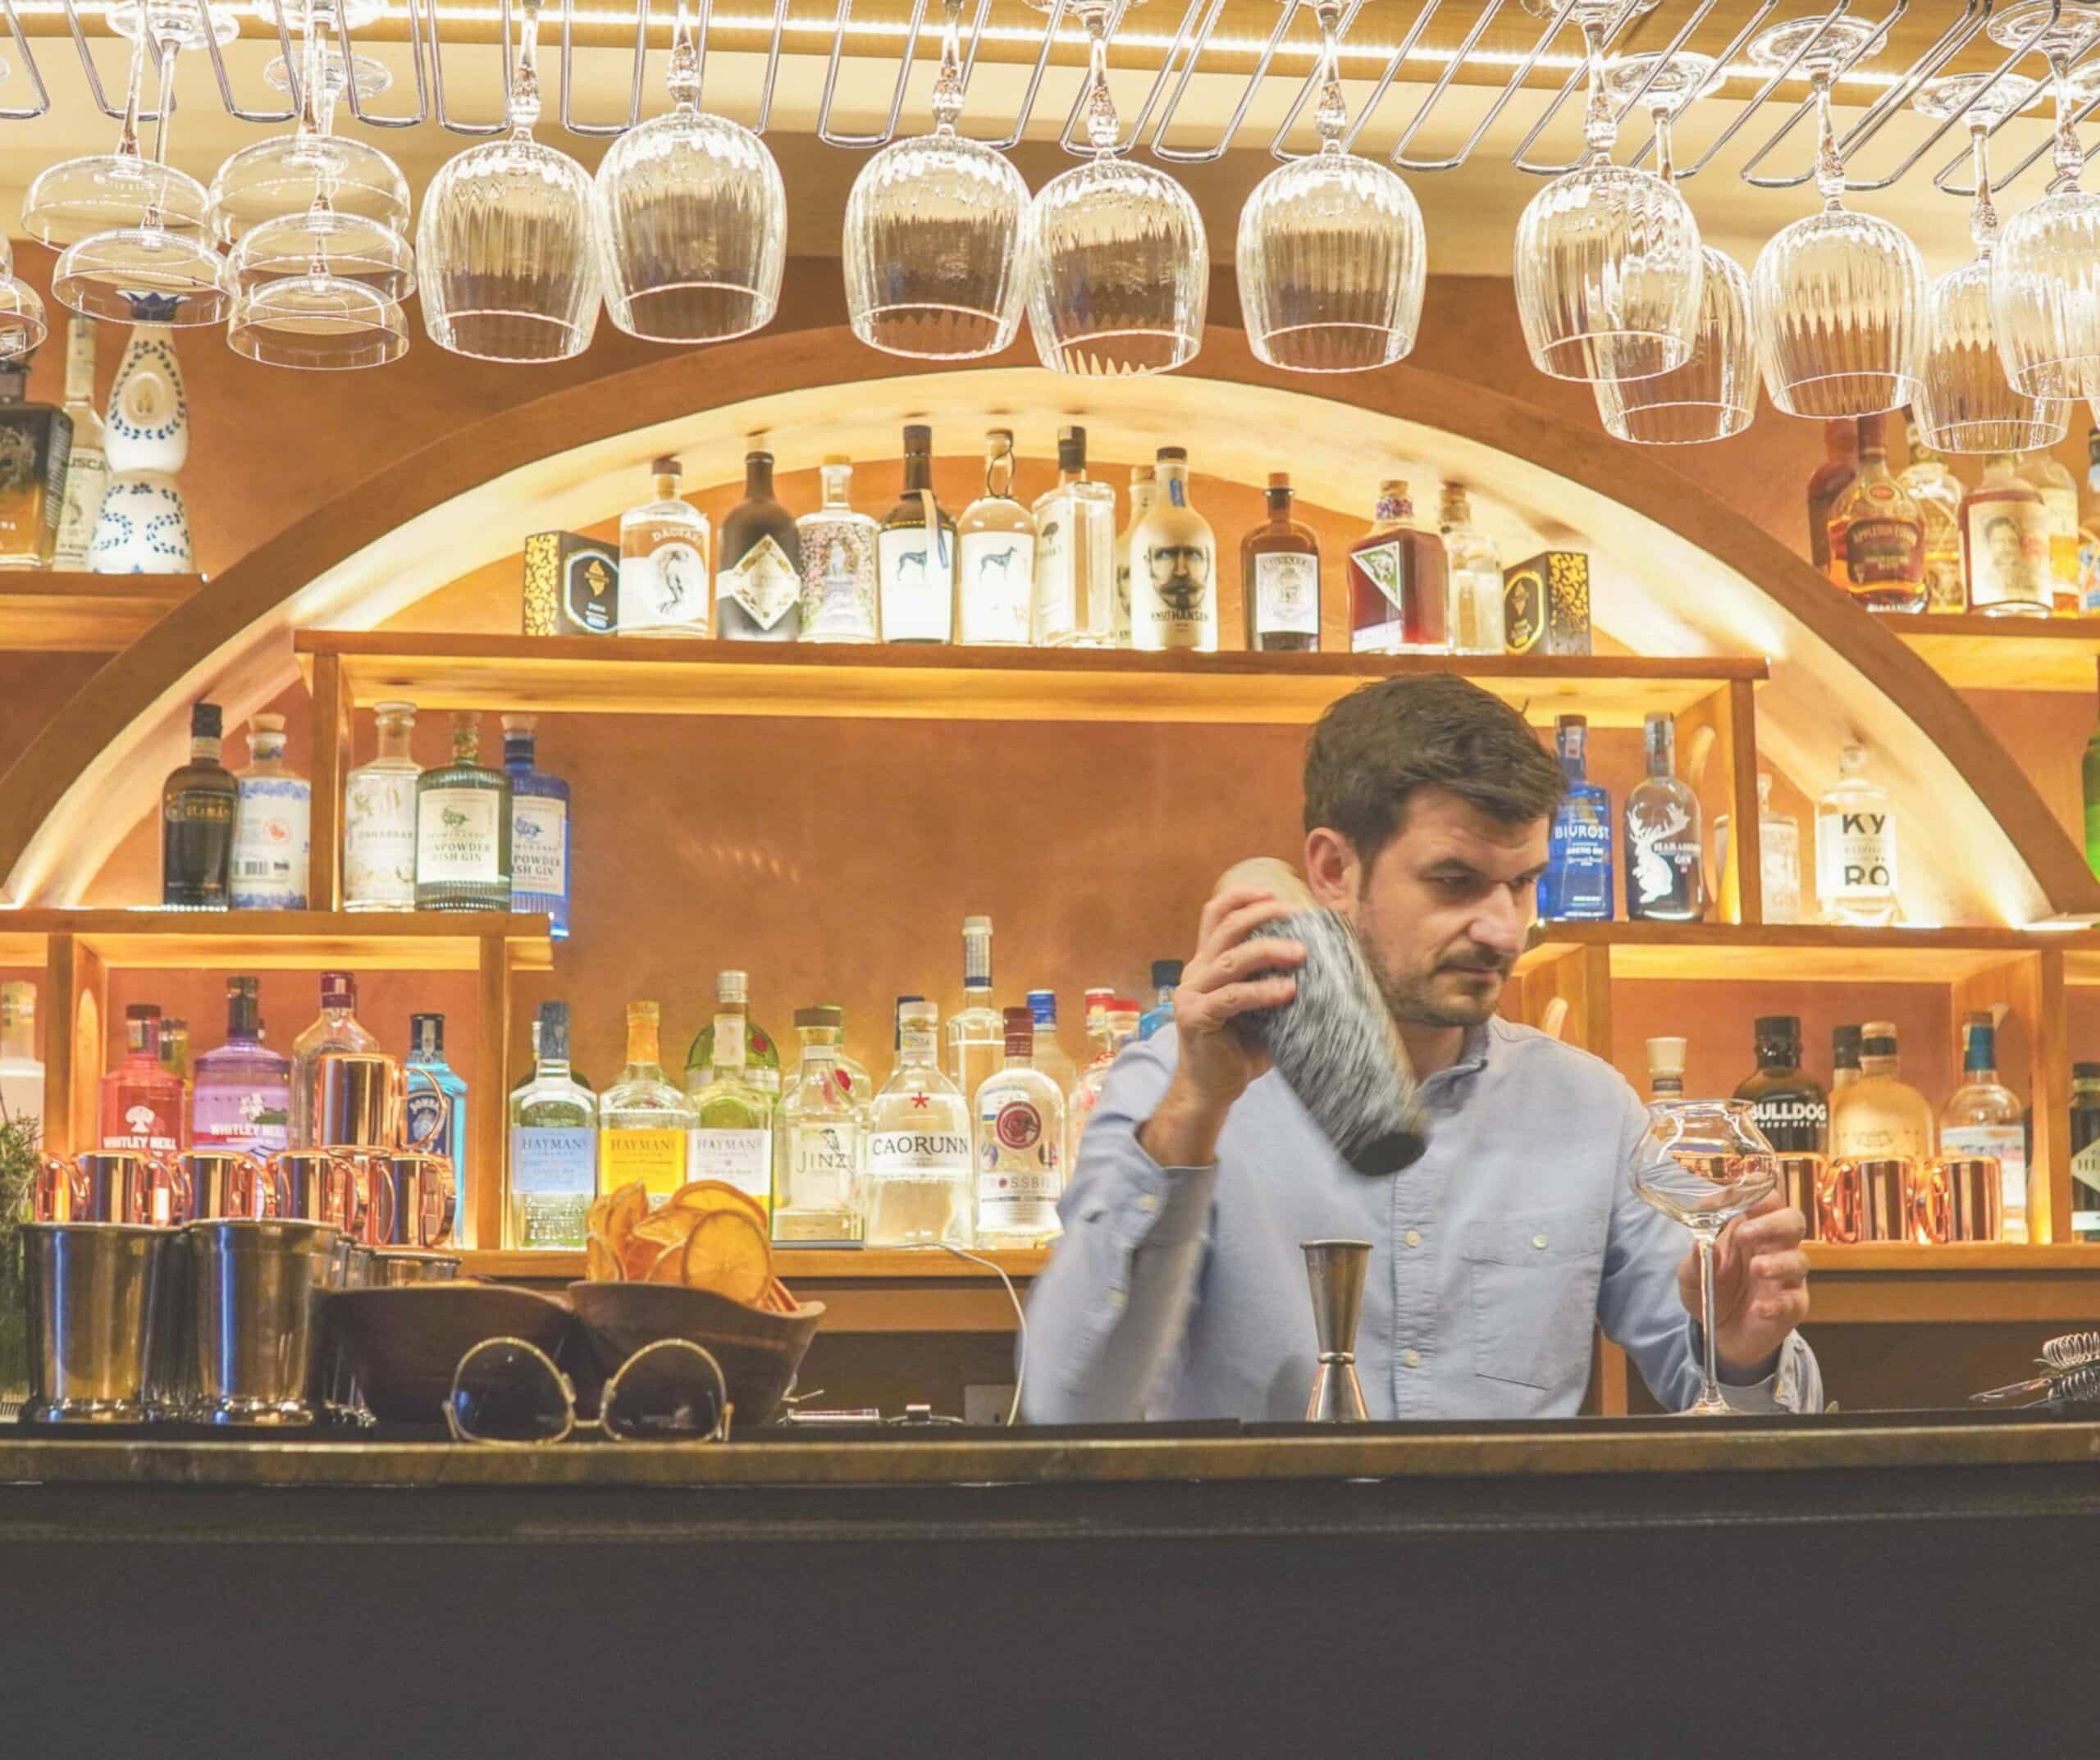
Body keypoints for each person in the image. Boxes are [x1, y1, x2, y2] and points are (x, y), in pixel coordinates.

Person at [1022, 675, 1819, 1422]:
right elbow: (1070, 1407)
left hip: (1505, 1567)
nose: (1503, 929)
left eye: (1521, 883)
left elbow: (1738, 1408)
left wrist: (1743, 1348)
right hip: (1258, 1564)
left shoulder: (1588, 1106)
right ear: (1334, 869)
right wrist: (1193, 1116)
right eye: (1454, 881)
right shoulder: (1172, 1086)